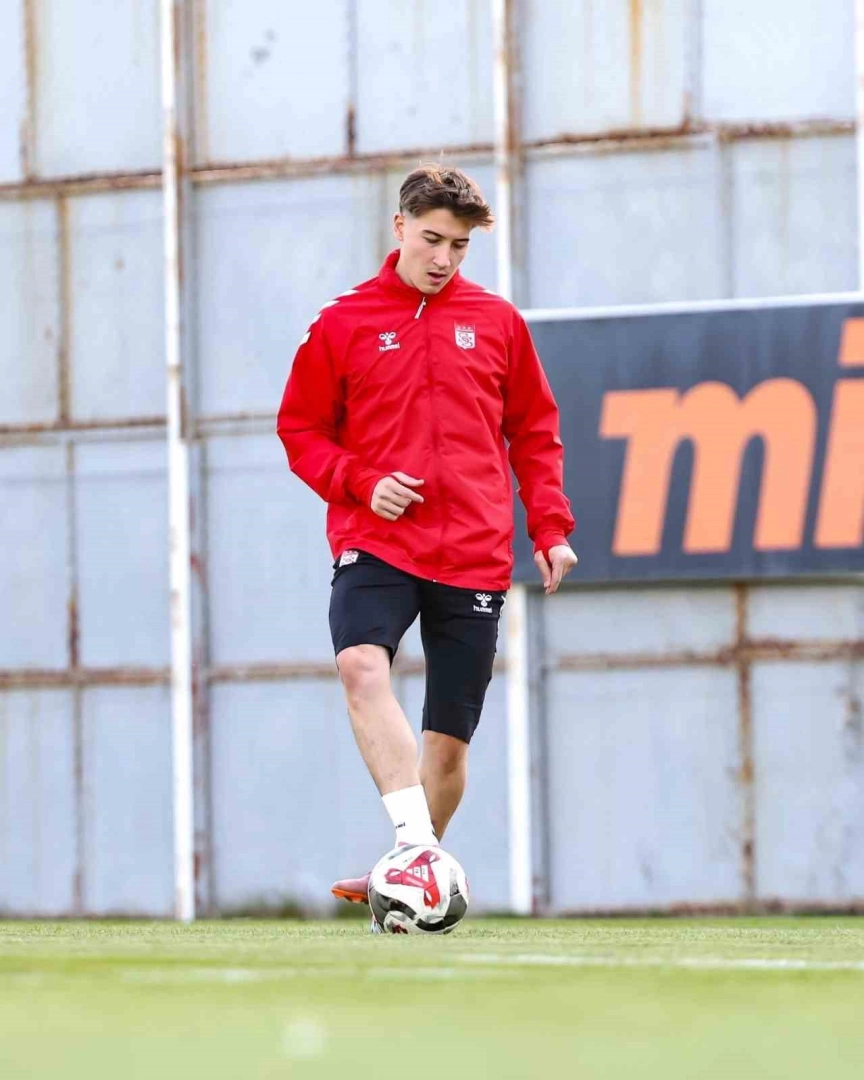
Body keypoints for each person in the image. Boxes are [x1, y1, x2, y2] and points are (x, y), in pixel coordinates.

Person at [277, 163, 577, 920]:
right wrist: (359, 481)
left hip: (474, 550)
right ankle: (415, 850)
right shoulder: (342, 323)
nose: (444, 258)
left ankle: (407, 871)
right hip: (377, 539)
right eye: (433, 239)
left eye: (460, 246)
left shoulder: (499, 322)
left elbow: (534, 432)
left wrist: (549, 528)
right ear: (400, 227)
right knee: (359, 664)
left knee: (447, 746)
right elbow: (300, 430)